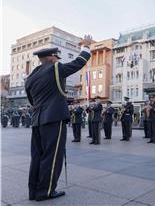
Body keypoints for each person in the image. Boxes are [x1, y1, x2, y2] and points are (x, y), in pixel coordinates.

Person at [25, 36, 91, 201]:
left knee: (37, 156)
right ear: (51, 58)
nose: (57, 60)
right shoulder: (55, 68)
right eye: (55, 57)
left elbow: (32, 101)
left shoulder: (31, 76)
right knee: (52, 155)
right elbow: (78, 62)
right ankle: (46, 191)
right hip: (53, 117)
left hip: (37, 120)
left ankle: (33, 191)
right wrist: (87, 46)